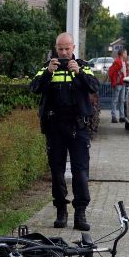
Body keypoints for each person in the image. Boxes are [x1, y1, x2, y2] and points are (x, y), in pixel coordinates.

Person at [30, 32, 100, 231]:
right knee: (57, 171)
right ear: (55, 48)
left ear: (73, 48)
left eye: (67, 49)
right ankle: (61, 211)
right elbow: (34, 88)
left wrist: (79, 72)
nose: (63, 52)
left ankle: (80, 213)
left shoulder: (83, 66)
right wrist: (47, 73)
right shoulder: (47, 67)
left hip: (78, 126)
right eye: (60, 49)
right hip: (54, 127)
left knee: (80, 171)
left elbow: (94, 86)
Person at [108, 49, 129, 123]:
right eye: (125, 53)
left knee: (121, 100)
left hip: (123, 83)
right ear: (122, 54)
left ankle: (122, 116)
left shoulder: (124, 63)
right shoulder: (117, 62)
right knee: (115, 100)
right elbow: (113, 73)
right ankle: (114, 116)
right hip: (118, 84)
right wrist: (114, 82)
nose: (126, 55)